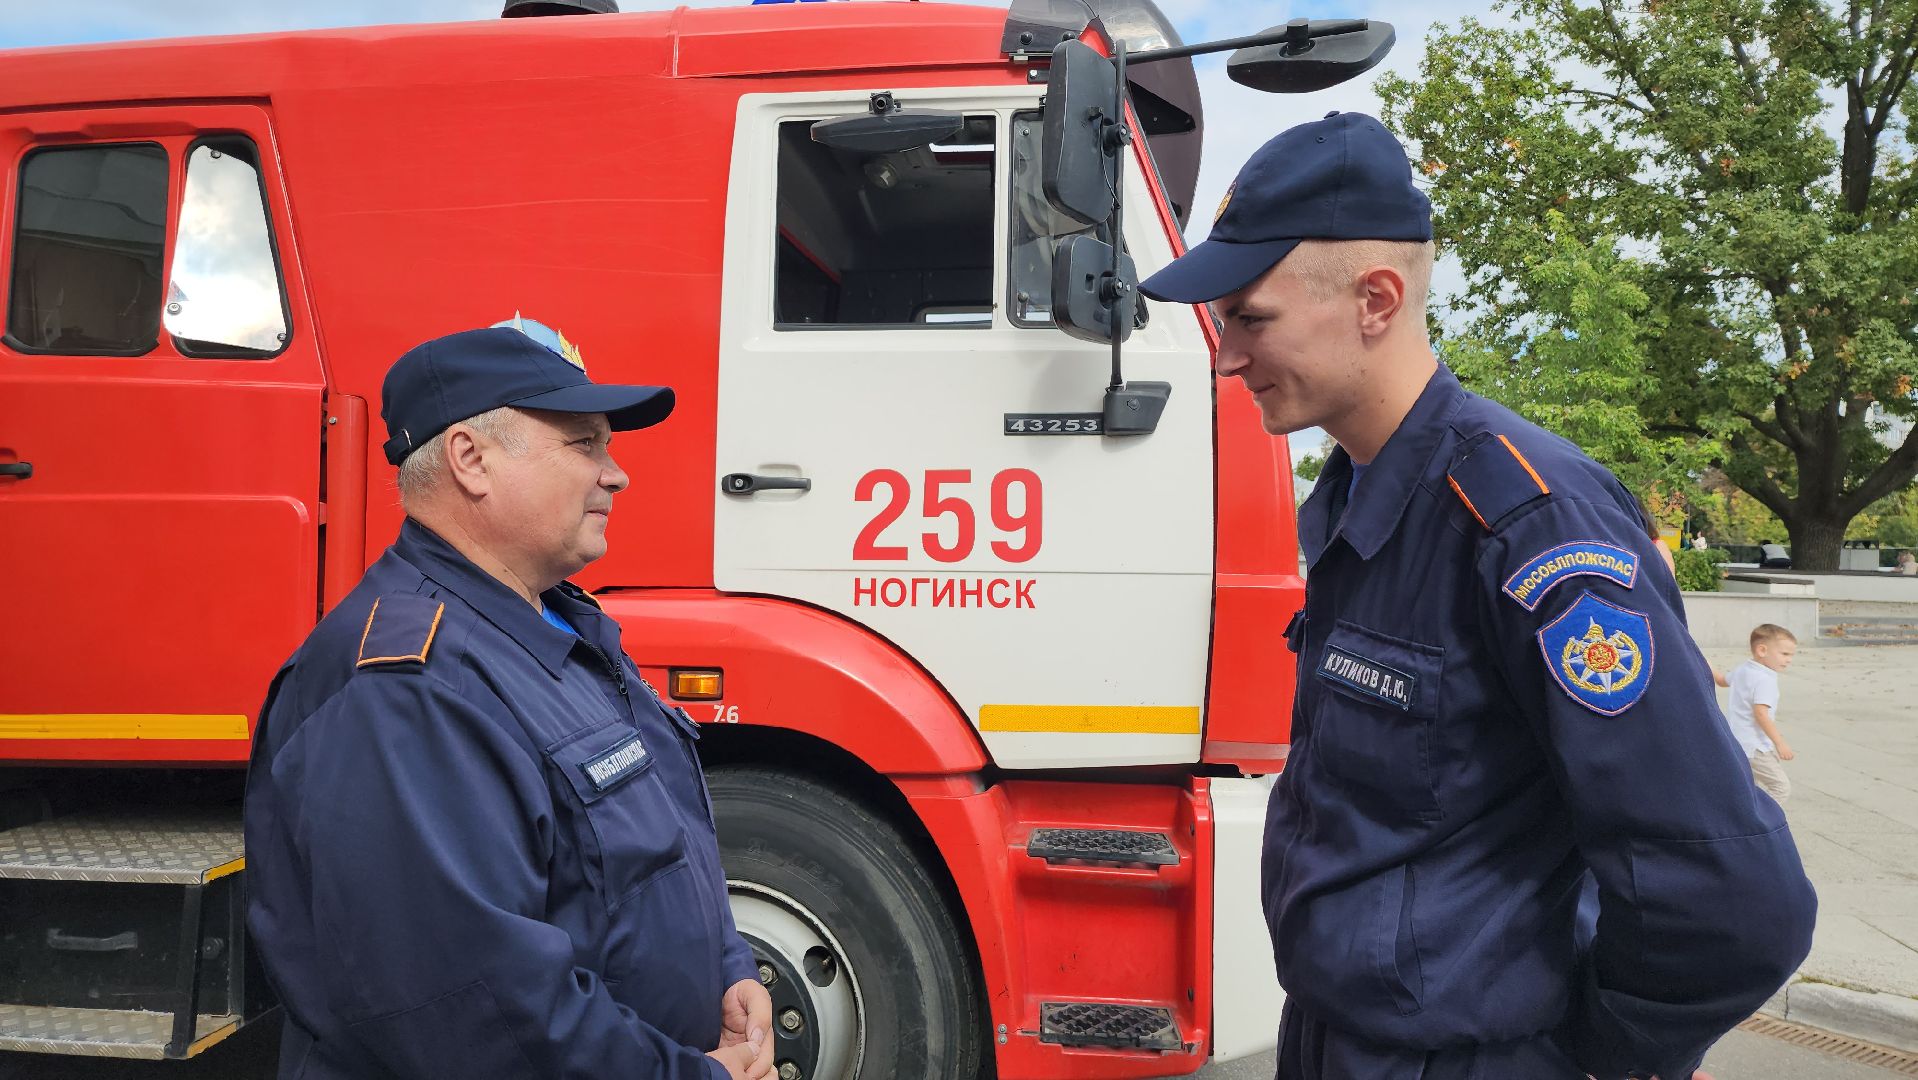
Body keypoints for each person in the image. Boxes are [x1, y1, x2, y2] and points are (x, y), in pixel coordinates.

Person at [1139, 112, 1815, 1080]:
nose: (1225, 356)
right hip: (1337, 1040)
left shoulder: (1531, 524)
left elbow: (1730, 891)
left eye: (1249, 318)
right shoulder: (1354, 498)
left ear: (1375, 298)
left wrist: (1608, 1054)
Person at [245, 318, 773, 1080]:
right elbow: (479, 1012)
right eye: (583, 443)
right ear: (471, 459)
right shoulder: (406, 689)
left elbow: (658, 844)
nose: (614, 473)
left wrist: (730, 965)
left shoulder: (557, 624)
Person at [1725, 624, 1798, 804]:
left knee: (1750, 788)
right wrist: (1780, 743)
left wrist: (1704, 665)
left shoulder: (1743, 669)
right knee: (1780, 787)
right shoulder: (1765, 680)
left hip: (1737, 740)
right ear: (1762, 650)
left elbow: (1721, 680)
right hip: (1755, 746)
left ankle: (1748, 821)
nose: (1789, 660)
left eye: (1791, 655)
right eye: (1784, 654)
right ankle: (1765, 823)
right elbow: (1761, 714)